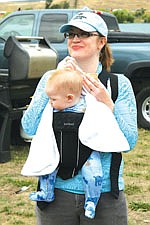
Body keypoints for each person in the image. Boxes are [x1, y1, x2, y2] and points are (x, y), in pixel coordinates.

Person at [21, 11, 138, 225]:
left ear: (101, 42)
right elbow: (29, 126)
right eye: (71, 34)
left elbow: (129, 142)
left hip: (104, 196)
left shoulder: (118, 84)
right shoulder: (51, 77)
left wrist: (106, 102)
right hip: (55, 193)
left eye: (84, 34)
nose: (75, 39)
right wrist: (56, 85)